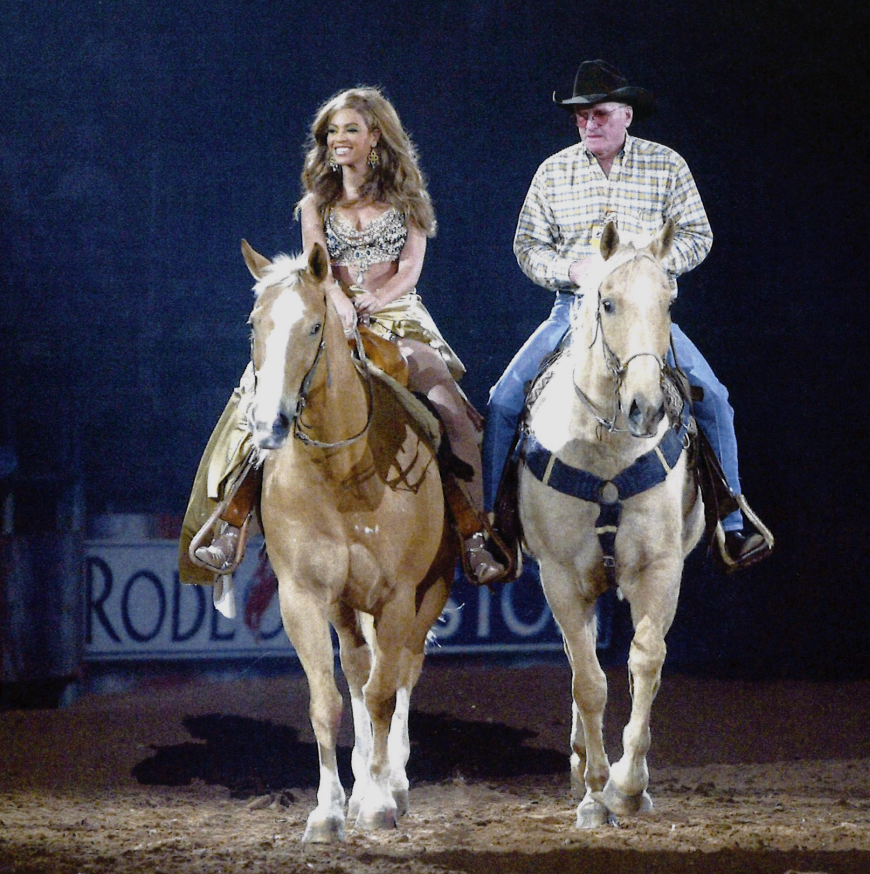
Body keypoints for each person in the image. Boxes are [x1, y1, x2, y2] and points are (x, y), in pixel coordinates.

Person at [181, 86, 506, 585]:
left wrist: (376, 299)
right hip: (330, 316)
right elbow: (320, 270)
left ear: (376, 136)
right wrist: (341, 305)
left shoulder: (409, 199)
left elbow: (411, 269)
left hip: (398, 317)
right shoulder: (316, 203)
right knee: (261, 395)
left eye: (350, 129)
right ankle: (231, 521)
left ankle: (475, 533)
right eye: (332, 131)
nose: (338, 140)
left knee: (451, 410)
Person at [483, 60, 770, 571]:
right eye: (580, 117)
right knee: (504, 401)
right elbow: (526, 247)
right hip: (573, 310)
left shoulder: (667, 166)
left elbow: (698, 234)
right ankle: (496, 529)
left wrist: (652, 270)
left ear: (627, 115)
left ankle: (731, 521)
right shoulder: (554, 172)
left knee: (716, 400)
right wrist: (570, 268)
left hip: (643, 314)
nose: (588, 123)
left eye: (598, 114)